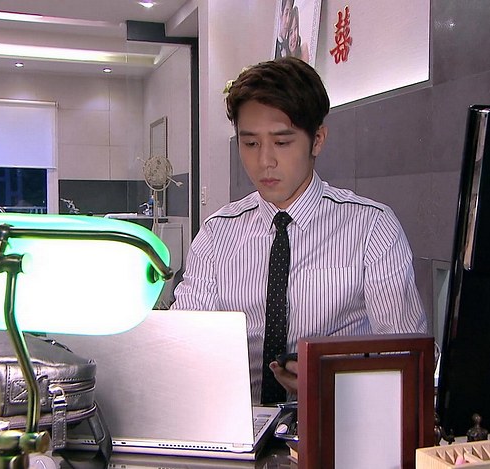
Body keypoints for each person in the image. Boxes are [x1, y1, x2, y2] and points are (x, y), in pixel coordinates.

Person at [171, 57, 427, 404]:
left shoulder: (371, 228)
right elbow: (183, 343)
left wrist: (330, 382)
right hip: (235, 420)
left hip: (338, 418)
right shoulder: (217, 234)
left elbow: (408, 358)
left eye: (282, 142)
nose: (265, 161)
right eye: (250, 144)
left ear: (317, 139)